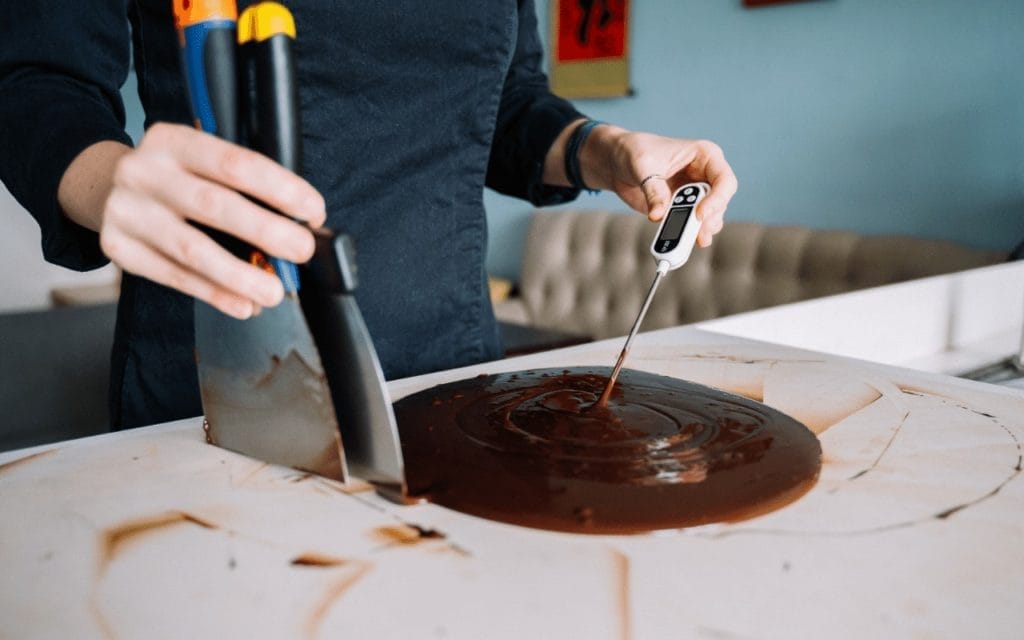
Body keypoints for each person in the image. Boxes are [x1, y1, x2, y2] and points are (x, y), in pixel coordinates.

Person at [0, 1, 737, 429]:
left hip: (449, 357)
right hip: (227, 354)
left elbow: (504, 105)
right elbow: (35, 79)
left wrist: (600, 149)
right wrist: (106, 179)